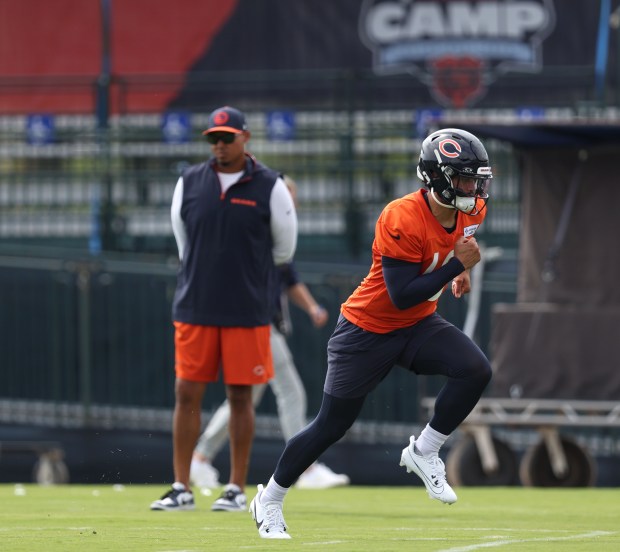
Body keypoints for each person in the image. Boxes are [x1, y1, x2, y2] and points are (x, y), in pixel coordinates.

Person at [249, 128, 494, 539]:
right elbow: (400, 295)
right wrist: (456, 267)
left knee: (475, 369)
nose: (473, 188)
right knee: (330, 425)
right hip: (368, 328)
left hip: (417, 323)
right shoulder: (401, 216)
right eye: (464, 179)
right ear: (436, 177)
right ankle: (269, 498)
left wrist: (461, 272)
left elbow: (453, 251)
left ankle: (425, 450)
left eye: (475, 179)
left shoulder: (471, 212)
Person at [150, 105, 297, 513]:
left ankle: (235, 488)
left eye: (227, 137)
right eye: (214, 138)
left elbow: (284, 249)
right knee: (186, 392)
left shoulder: (270, 185)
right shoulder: (190, 181)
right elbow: (184, 243)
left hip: (247, 308)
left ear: (245, 138)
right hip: (195, 305)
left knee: (240, 396)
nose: (219, 145)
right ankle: (181, 486)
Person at [190, 177, 350, 492]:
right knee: (290, 391)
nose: (291, 207)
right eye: (285, 200)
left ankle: (201, 457)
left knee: (247, 396)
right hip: (255, 323)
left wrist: (313, 308)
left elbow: (289, 279)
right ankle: (304, 467)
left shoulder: (275, 236)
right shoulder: (256, 233)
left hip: (261, 322)